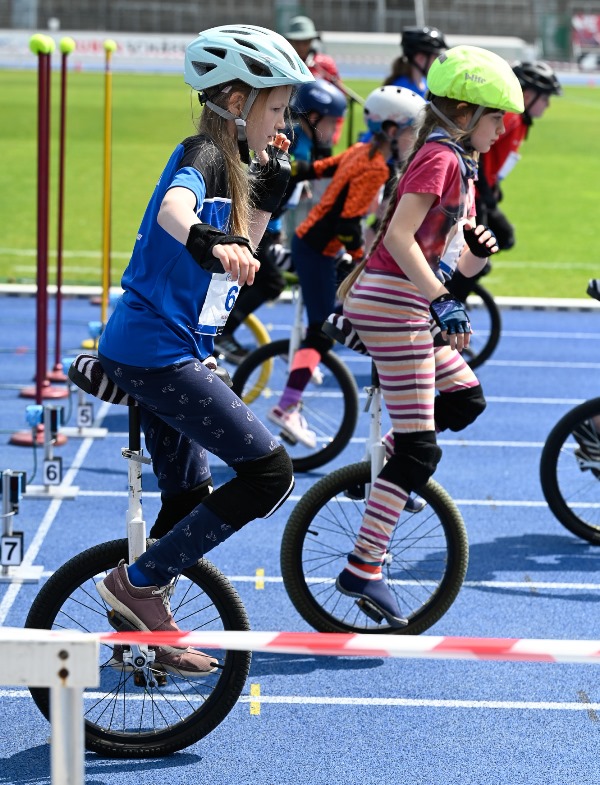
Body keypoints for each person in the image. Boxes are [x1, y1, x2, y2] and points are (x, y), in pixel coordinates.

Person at [94, 24, 313, 677]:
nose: (285, 121)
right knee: (270, 474)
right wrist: (200, 238)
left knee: (190, 495)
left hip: (168, 347)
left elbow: (240, 254)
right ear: (238, 101)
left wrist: (269, 196)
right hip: (156, 351)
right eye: (276, 107)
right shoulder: (207, 154)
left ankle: (142, 612)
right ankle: (138, 584)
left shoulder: (239, 165)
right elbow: (174, 207)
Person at [332, 45, 524, 627]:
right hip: (395, 306)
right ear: (464, 112)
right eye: (496, 119)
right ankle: (364, 566)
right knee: (422, 450)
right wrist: (442, 301)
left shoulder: (456, 161)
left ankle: (387, 473)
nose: (500, 132)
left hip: (408, 302)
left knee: (465, 400)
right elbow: (397, 239)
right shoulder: (441, 158)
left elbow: (445, 256)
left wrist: (469, 266)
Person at [267, 85, 426, 448]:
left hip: (314, 244)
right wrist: (360, 259)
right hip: (320, 248)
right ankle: (287, 407)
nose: (412, 140)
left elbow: (318, 168)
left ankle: (295, 266)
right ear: (389, 130)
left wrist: (286, 166)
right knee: (322, 332)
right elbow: (347, 226)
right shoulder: (373, 167)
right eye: (408, 132)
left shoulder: (360, 150)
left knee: (341, 300)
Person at [215, 78, 347, 365]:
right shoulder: (296, 141)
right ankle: (222, 333)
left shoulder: (311, 144)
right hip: (258, 227)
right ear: (313, 118)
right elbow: (297, 172)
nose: (335, 130)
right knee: (270, 280)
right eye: (332, 122)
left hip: (270, 230)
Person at [476, 60, 562, 252]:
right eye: (545, 98)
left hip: (482, 193)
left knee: (497, 243)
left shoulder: (521, 121)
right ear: (528, 95)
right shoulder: (511, 117)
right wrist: (486, 192)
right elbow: (476, 150)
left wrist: (494, 186)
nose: (547, 105)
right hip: (476, 195)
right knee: (480, 254)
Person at [384, 25, 448, 97]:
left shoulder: (427, 84)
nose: (438, 62)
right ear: (420, 58)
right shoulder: (400, 91)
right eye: (435, 57)